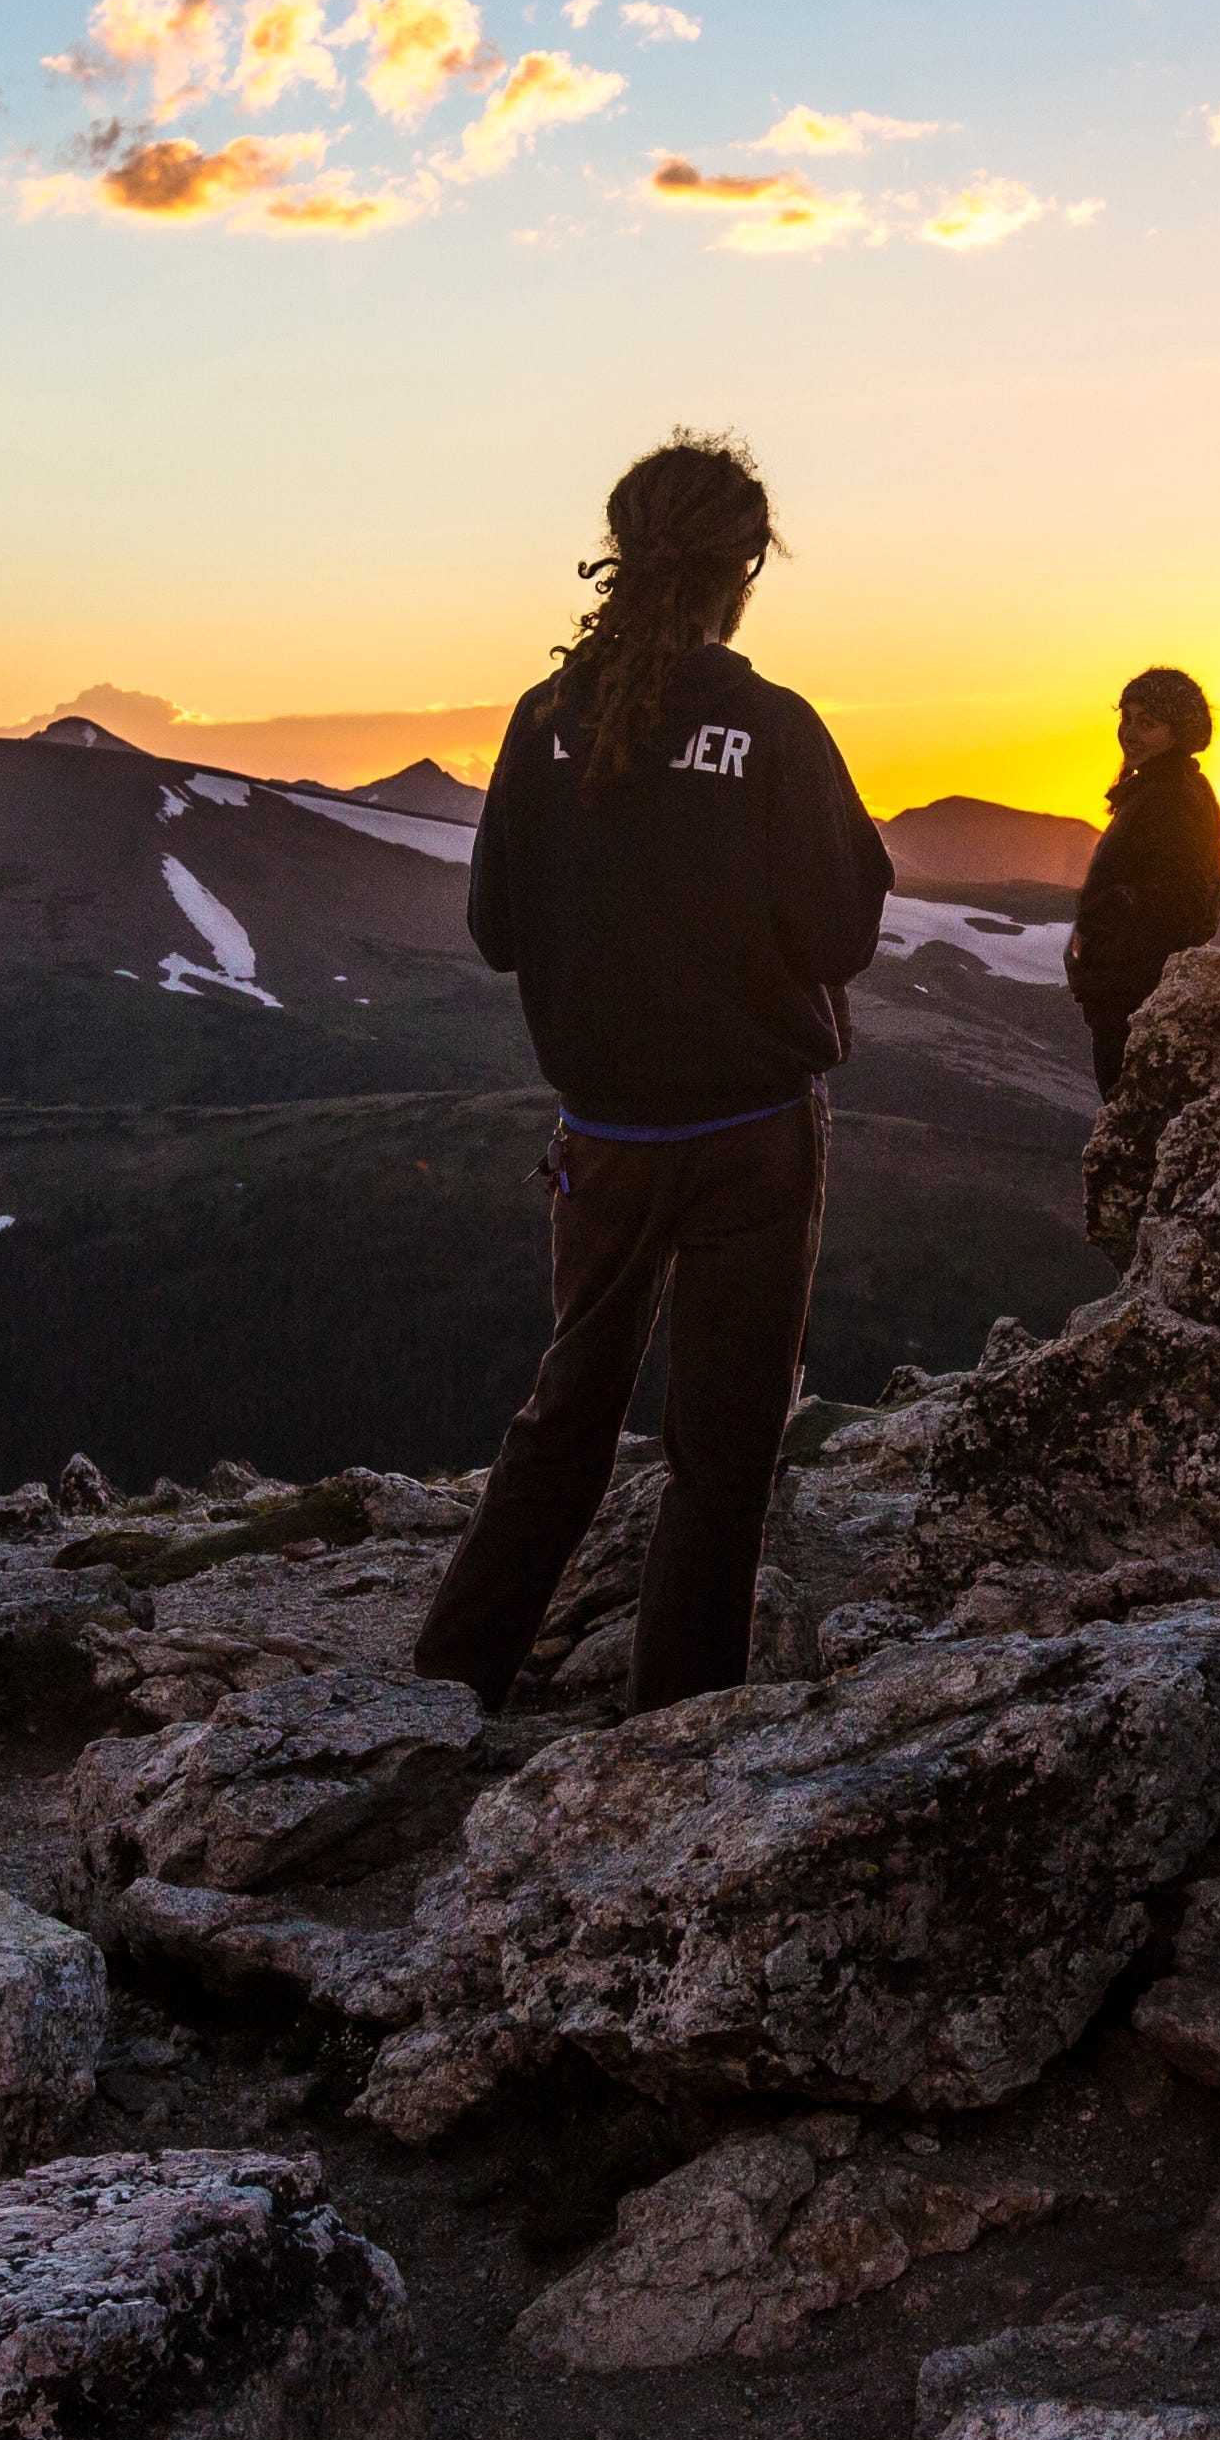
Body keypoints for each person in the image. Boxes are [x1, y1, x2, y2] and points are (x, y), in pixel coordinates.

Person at [412, 436, 893, 1718]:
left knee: (564, 1417)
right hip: (751, 1133)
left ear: (624, 551)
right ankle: (678, 1726)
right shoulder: (773, 729)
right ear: (743, 568)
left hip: (603, 1137)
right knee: (723, 1454)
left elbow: (497, 928)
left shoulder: (544, 720)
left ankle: (448, 1689)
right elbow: (842, 931)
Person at [1064, 665, 1220, 1087]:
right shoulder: (1160, 789)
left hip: (1136, 992)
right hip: (1125, 990)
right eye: (1127, 719)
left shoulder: (1173, 797)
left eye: (1147, 723)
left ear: (1178, 732)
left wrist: (1115, 911)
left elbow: (1190, 900)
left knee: (1127, 1112)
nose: (1130, 733)